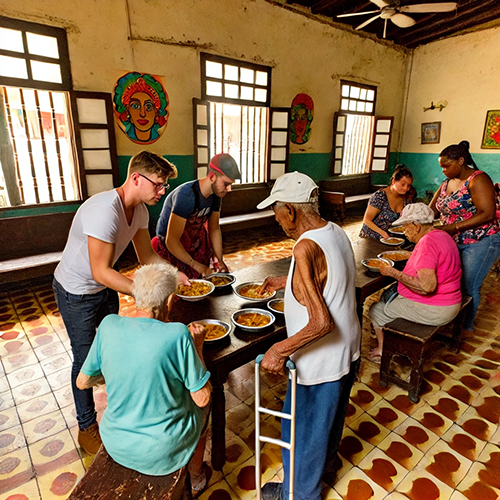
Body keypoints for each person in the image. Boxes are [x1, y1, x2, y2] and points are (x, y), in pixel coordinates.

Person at [53, 151, 177, 455]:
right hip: (76, 291)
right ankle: (86, 427)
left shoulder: (141, 212)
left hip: (104, 287)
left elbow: (146, 257)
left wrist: (176, 276)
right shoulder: (104, 210)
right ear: (136, 178)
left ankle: (119, 413)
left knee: (114, 350)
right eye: (159, 185)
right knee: (85, 359)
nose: (162, 192)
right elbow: (100, 270)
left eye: (164, 187)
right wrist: (144, 292)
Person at [255, 172, 361, 500]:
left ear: (291, 210)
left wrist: (279, 350)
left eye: (276, 210)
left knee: (301, 431)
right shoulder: (335, 232)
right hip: (348, 352)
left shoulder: (304, 249)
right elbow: (329, 277)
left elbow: (320, 322)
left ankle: (300, 494)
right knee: (326, 427)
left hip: (319, 363)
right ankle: (323, 470)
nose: (275, 217)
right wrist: (284, 281)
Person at [75, 264, 211, 497]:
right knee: (206, 407)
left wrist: (121, 370)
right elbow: (202, 397)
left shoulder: (108, 325)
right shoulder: (178, 334)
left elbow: (82, 382)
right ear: (169, 300)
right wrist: (198, 347)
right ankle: (196, 476)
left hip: (115, 442)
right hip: (162, 452)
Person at [369, 203, 462, 360]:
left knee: (376, 310)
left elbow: (427, 287)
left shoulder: (427, 243)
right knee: (388, 295)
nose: (404, 232)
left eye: (405, 227)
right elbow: (433, 258)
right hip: (451, 300)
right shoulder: (441, 234)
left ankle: (382, 349)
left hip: (437, 308)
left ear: (416, 226)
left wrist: (393, 272)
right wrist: (411, 254)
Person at [429, 140, 500, 334]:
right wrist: (415, 218)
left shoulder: (479, 179)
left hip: (481, 241)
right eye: (441, 166)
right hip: (453, 241)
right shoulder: (447, 183)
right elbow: (432, 210)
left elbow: (487, 213)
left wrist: (454, 227)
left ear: (461, 160)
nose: (443, 170)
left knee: (469, 285)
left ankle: (464, 327)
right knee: (450, 280)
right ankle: (451, 318)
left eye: (446, 165)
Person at [152, 153, 241, 278]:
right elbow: (171, 240)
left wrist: (219, 261)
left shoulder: (216, 196)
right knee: (179, 286)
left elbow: (214, 229)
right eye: (226, 184)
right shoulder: (187, 195)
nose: (229, 189)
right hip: (169, 245)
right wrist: (197, 265)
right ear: (212, 176)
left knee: (200, 282)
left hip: (191, 239)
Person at [359, 164, 413, 240]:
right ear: (393, 181)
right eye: (403, 184)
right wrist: (384, 234)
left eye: (408, 186)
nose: (405, 188)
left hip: (391, 237)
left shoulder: (406, 199)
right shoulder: (379, 197)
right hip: (371, 237)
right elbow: (367, 220)